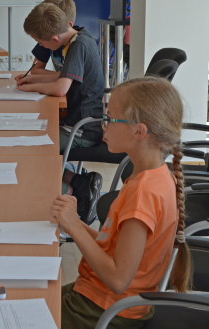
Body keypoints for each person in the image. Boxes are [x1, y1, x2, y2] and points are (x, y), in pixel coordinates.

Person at [50, 77, 191, 329]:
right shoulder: (150, 177)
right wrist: (77, 224)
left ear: (139, 131)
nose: (103, 126)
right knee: (31, 297)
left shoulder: (144, 193)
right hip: (100, 298)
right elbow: (111, 244)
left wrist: (73, 228)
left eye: (110, 118)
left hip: (106, 310)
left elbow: (117, 279)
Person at [16, 2, 105, 225]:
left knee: (32, 150)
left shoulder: (78, 46)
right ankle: (77, 180)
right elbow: (61, 77)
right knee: (30, 139)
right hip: (75, 122)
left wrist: (31, 87)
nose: (39, 46)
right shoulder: (78, 37)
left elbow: (60, 88)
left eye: (40, 42)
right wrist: (33, 78)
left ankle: (74, 189)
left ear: (53, 41)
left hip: (82, 129)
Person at [14, 0, 79, 78]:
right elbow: (35, 70)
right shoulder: (46, 39)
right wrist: (64, 77)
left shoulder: (78, 44)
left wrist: (66, 77)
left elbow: (76, 78)